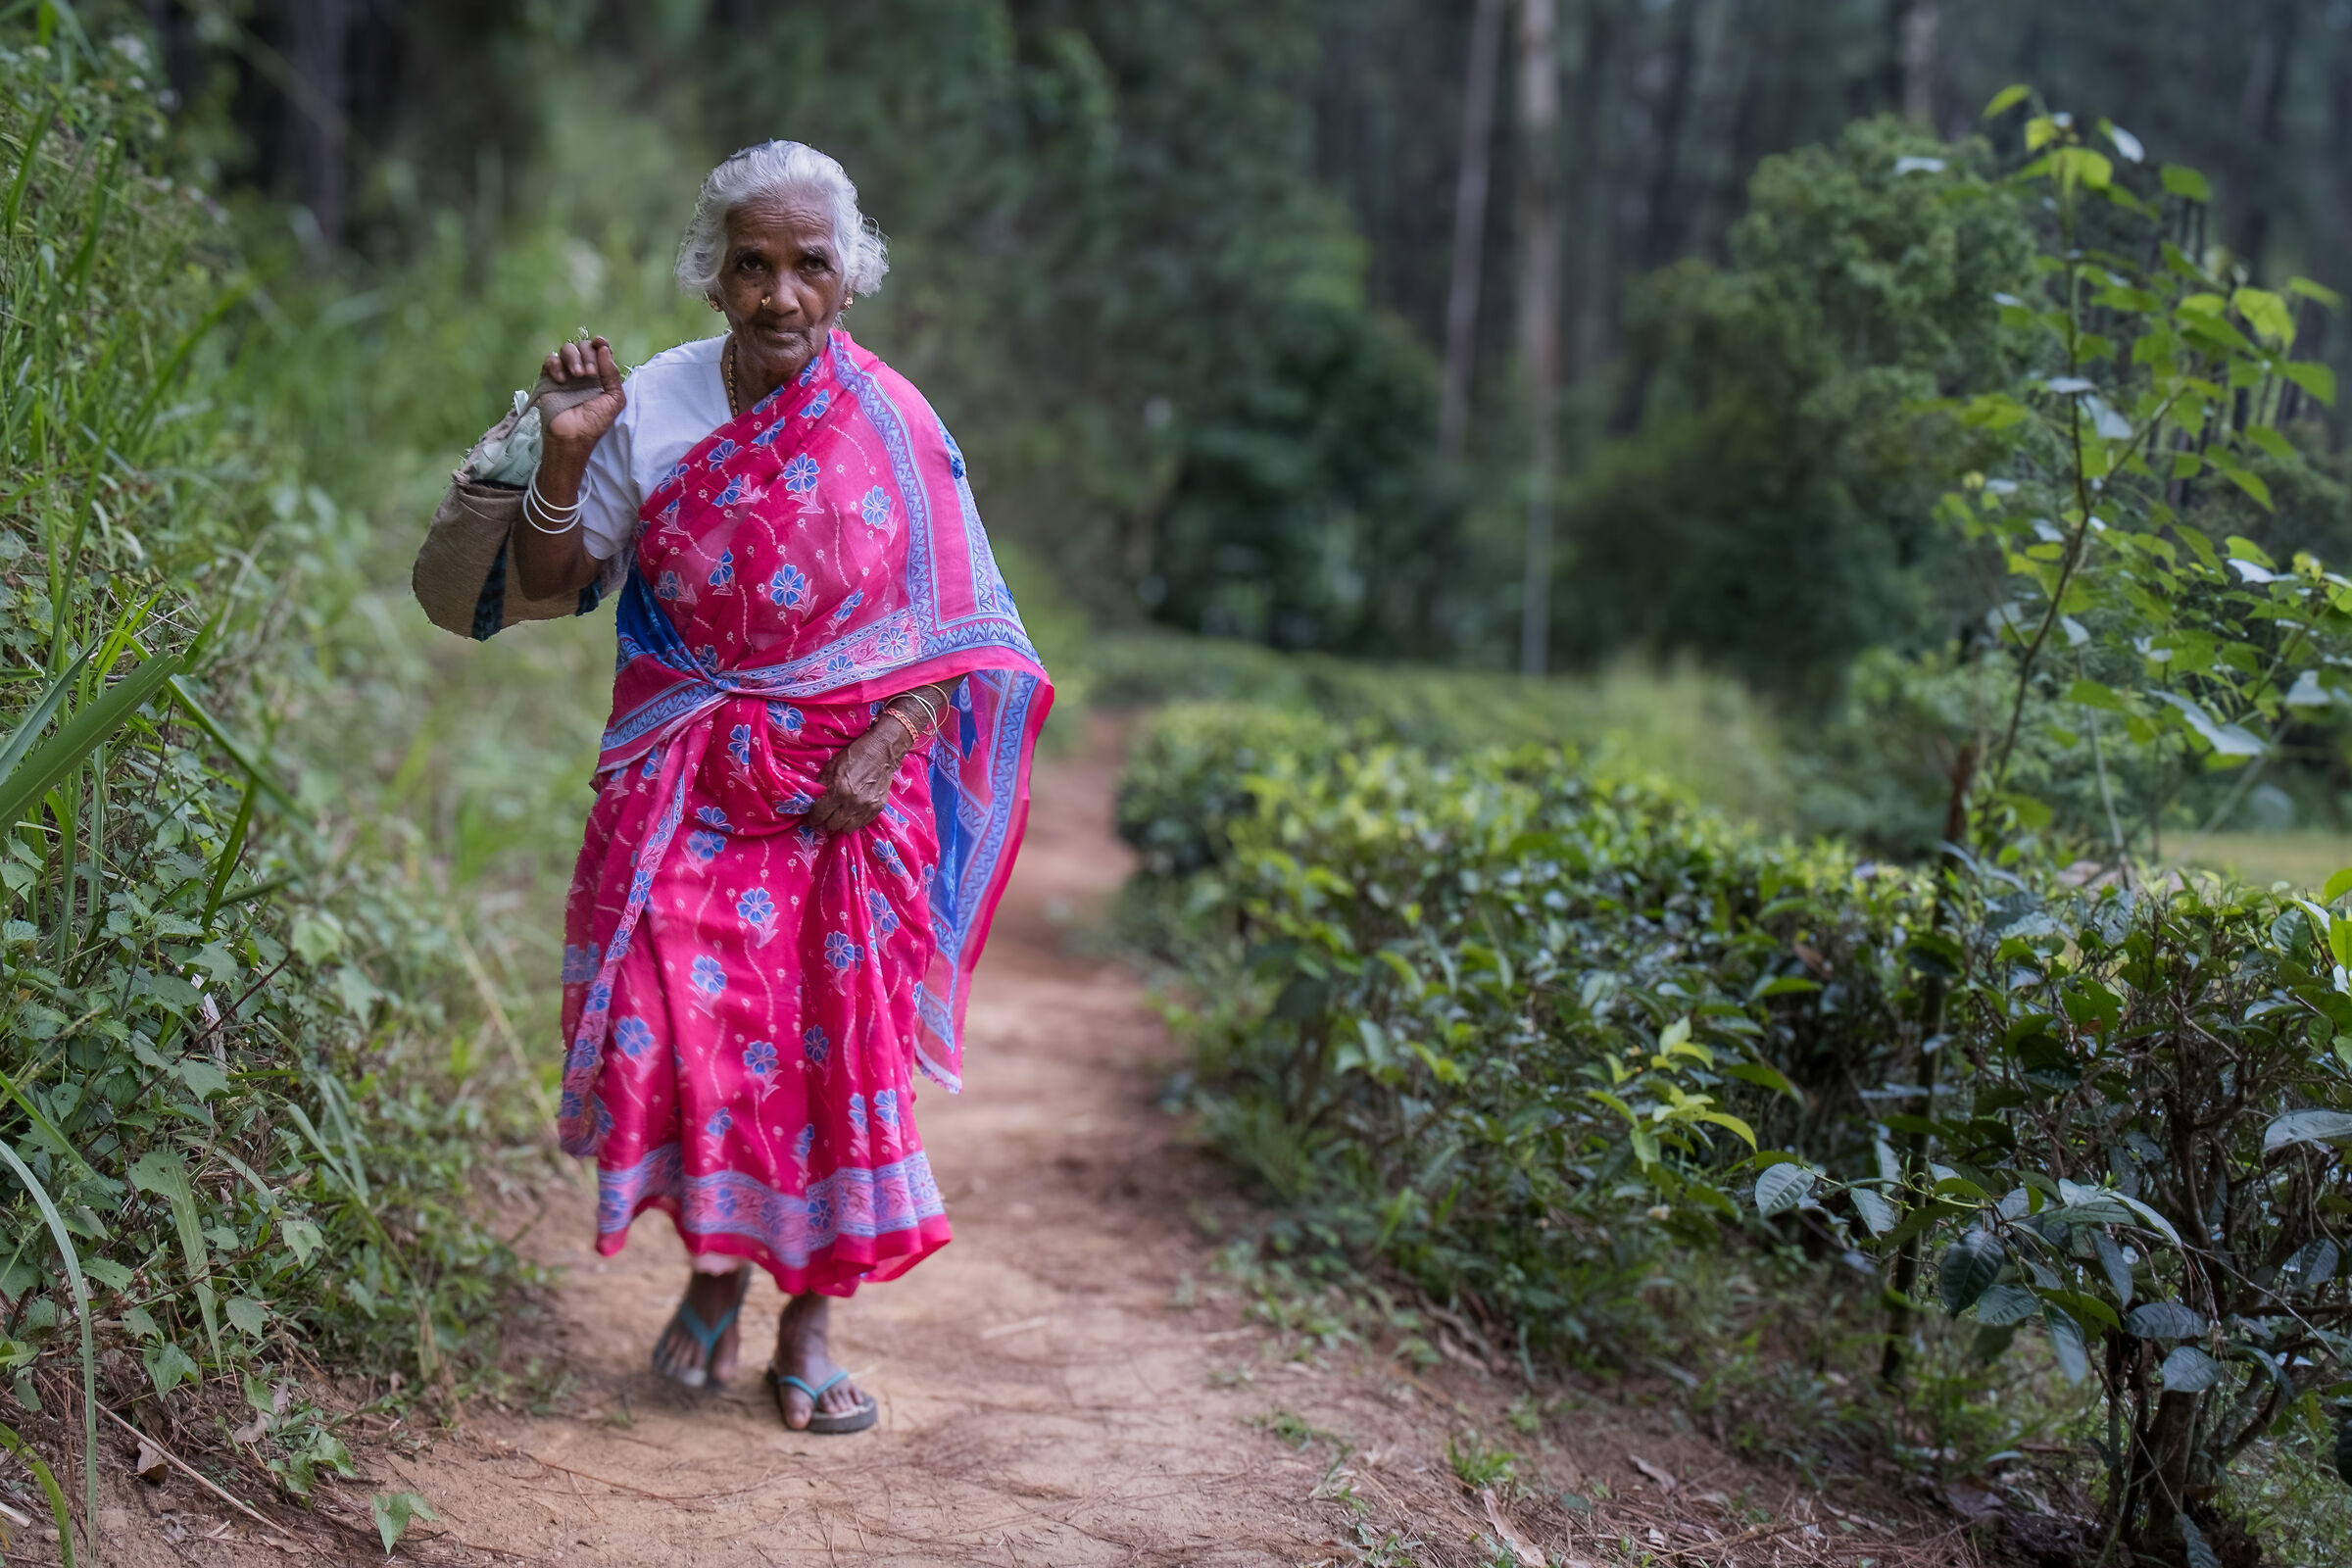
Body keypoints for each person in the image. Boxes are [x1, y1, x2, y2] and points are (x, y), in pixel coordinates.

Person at [510, 140, 1051, 1434]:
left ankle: (804, 1329)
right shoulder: (654, 403)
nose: (781, 294)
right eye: (752, 265)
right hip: (688, 786)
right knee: (690, 1038)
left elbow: (969, 627)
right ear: (712, 279)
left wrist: (892, 736)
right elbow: (545, 583)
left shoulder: (900, 425)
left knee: (828, 1060)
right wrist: (569, 457)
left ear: (850, 279)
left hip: (848, 810)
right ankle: (713, 1275)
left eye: (810, 265)